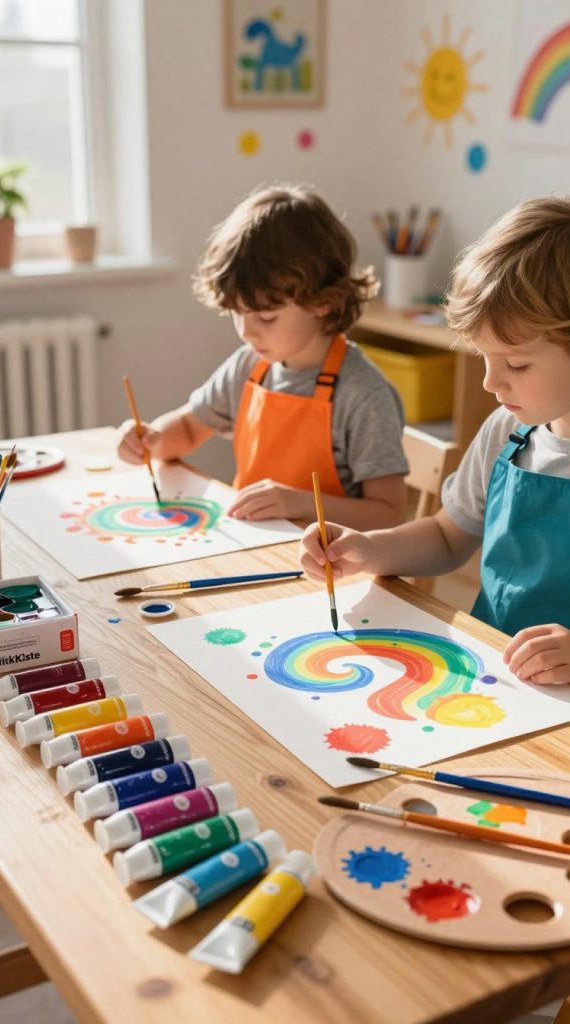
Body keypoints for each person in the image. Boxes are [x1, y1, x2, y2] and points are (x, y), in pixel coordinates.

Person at [300, 195, 570, 684]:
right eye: (482, 358)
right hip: (499, 683)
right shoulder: (507, 432)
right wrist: (368, 549)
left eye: (517, 364)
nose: (490, 383)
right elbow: (447, 537)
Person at [117, 184, 408, 530]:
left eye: (266, 318)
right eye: (237, 313)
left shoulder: (363, 395)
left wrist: (300, 503)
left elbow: (389, 514)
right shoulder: (248, 366)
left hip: (332, 570)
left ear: (324, 300)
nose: (247, 332)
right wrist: (152, 439)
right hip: (257, 549)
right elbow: (188, 428)